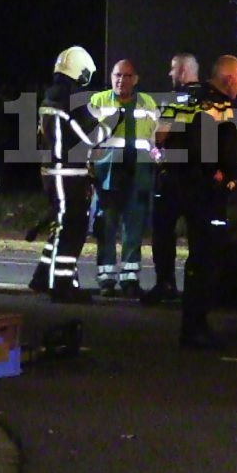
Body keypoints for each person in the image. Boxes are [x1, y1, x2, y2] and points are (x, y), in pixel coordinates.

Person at [159, 55, 237, 348]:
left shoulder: (182, 98)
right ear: (229, 79)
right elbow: (208, 144)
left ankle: (190, 322)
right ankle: (196, 327)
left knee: (194, 256)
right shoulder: (216, 103)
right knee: (206, 258)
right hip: (205, 192)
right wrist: (220, 175)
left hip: (177, 185)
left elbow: (159, 136)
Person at [29, 46, 119, 303]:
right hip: (67, 173)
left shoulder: (51, 98)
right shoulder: (69, 101)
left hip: (52, 171)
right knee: (73, 228)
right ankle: (63, 284)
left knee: (61, 225)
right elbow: (88, 138)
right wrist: (111, 122)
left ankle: (43, 276)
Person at [88, 59, 160, 299]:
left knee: (133, 229)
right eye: (117, 75)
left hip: (138, 175)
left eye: (127, 76)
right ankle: (106, 278)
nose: (122, 80)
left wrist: (158, 157)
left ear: (136, 78)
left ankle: (130, 279)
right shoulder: (98, 102)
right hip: (106, 176)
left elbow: (154, 140)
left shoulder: (148, 103)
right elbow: (86, 138)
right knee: (105, 228)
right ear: (111, 77)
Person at [147, 52, 203, 304]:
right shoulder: (211, 98)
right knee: (199, 237)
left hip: (174, 177)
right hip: (202, 178)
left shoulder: (174, 99)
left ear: (182, 72)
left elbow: (159, 136)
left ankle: (165, 283)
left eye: (172, 69)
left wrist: (155, 150)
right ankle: (198, 289)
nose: (170, 74)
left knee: (163, 233)